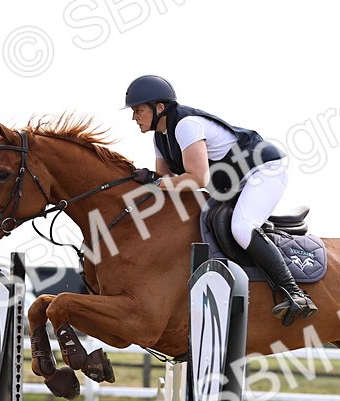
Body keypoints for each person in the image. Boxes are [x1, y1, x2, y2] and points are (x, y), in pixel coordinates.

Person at [123, 75, 317, 325]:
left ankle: (295, 293)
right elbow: (165, 179)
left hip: (263, 170)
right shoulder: (160, 137)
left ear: (159, 108)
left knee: (242, 227)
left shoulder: (186, 126)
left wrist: (157, 182)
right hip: (232, 182)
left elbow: (197, 179)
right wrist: (146, 179)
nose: (134, 117)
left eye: (138, 110)